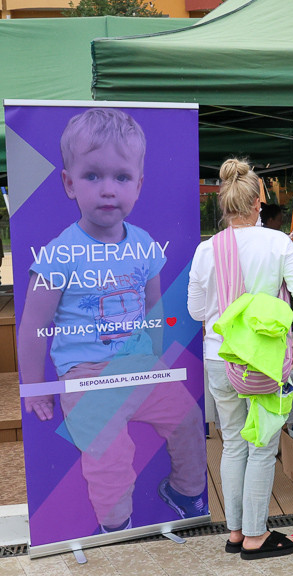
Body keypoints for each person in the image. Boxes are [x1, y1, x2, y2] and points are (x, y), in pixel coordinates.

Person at [18, 108, 207, 534]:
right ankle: (115, 527)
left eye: (121, 178)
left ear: (138, 186)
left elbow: (156, 310)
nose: (108, 190)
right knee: (110, 456)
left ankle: (185, 490)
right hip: (85, 375)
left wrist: (154, 362)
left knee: (189, 419)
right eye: (92, 176)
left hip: (137, 364)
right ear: (69, 183)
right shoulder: (58, 254)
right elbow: (32, 326)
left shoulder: (143, 246)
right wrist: (34, 387)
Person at [188, 158, 293, 558]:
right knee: (262, 445)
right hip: (264, 359)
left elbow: (194, 312)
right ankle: (258, 535)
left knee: (232, 443)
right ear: (258, 201)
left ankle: (237, 531)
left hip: (219, 357)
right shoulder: (278, 243)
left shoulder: (207, 250)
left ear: (224, 205)